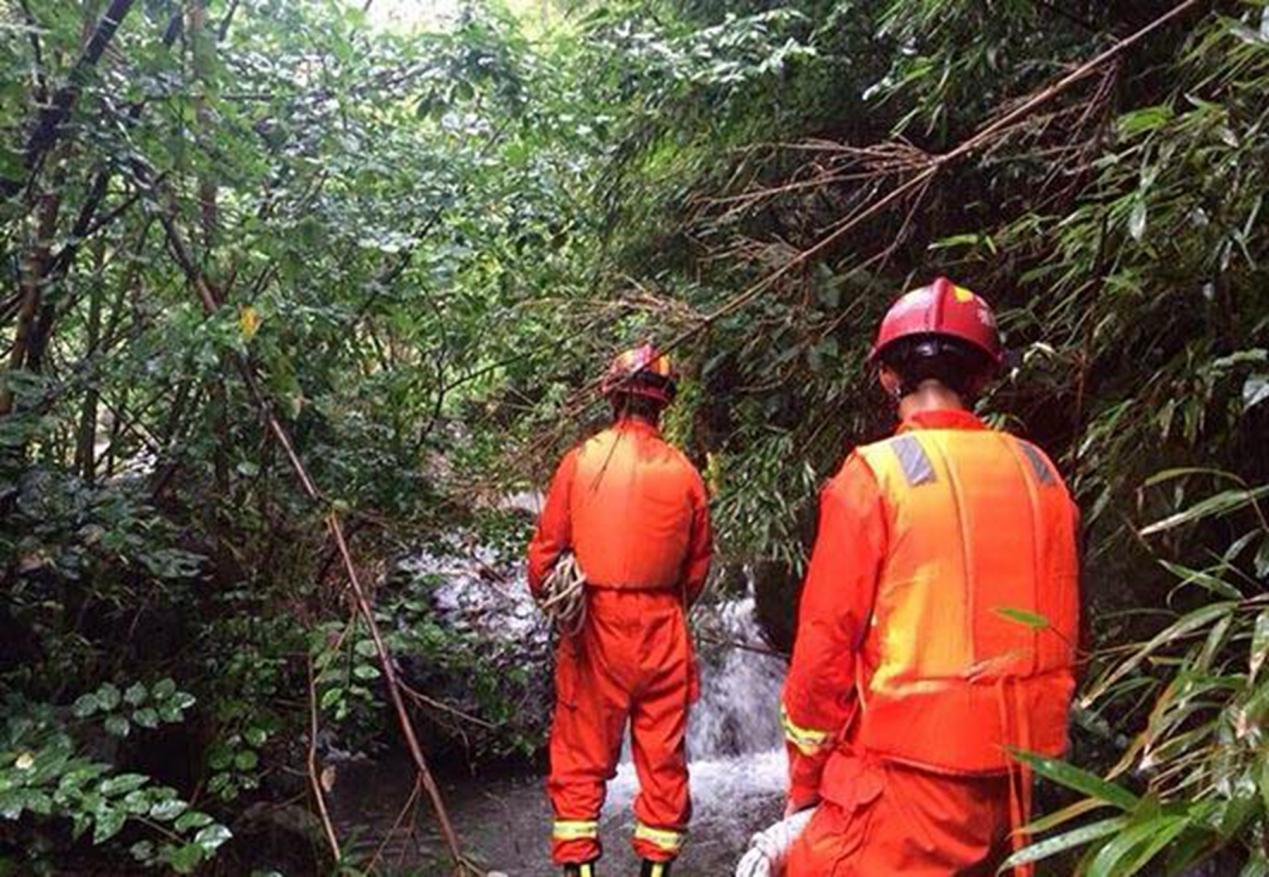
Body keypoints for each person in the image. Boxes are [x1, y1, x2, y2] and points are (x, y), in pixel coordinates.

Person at [778, 278, 1081, 876]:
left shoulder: (874, 476)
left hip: (905, 785)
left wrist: (805, 780)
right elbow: (1073, 626)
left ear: (890, 378)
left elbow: (824, 648)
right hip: (1020, 791)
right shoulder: (1041, 474)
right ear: (982, 379)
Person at [527, 344, 713, 877]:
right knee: (662, 760)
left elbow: (544, 556)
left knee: (580, 758)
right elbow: (696, 569)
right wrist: (666, 607)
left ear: (612, 395)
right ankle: (654, 872)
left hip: (595, 631)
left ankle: (580, 870)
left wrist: (558, 600)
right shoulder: (685, 473)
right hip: (662, 630)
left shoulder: (582, 461)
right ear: (664, 405)